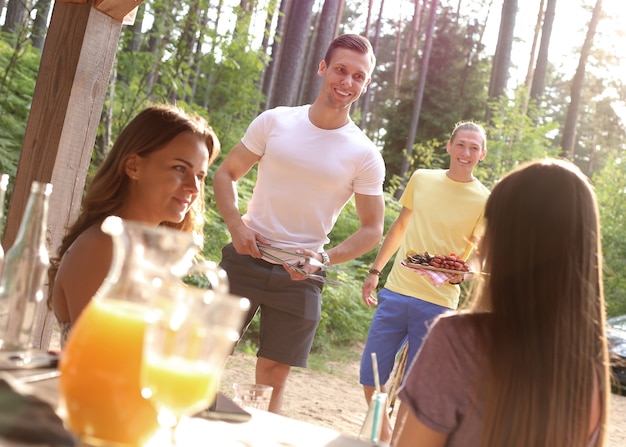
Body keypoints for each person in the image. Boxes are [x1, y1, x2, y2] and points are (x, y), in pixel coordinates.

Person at [213, 34, 385, 414]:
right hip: (244, 259)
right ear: (323, 68)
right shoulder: (276, 121)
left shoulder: (364, 154)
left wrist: (324, 259)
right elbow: (226, 174)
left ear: (366, 83)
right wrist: (236, 227)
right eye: (341, 70)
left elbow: (373, 228)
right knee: (207, 354)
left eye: (359, 76)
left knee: (271, 375)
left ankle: (251, 440)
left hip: (301, 278)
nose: (347, 82)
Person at [392, 158, 609, 447]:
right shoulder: (591, 372)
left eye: (491, 225)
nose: (480, 244)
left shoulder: (459, 341)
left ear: (512, 242)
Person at [359, 121, 489, 443]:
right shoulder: (422, 179)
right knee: (370, 372)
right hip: (398, 290)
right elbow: (401, 226)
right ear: (449, 146)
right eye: (461, 145)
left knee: (417, 386)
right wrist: (376, 271)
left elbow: (479, 253)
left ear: (482, 154)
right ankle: (385, 433)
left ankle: (402, 440)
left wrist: (465, 271)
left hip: (439, 303)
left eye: (474, 148)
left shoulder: (485, 199)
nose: (466, 153)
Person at [48, 104, 221, 346]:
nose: (194, 188)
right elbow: (101, 356)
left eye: (200, 176)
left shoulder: (151, 254)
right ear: (134, 166)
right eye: (179, 168)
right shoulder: (101, 244)